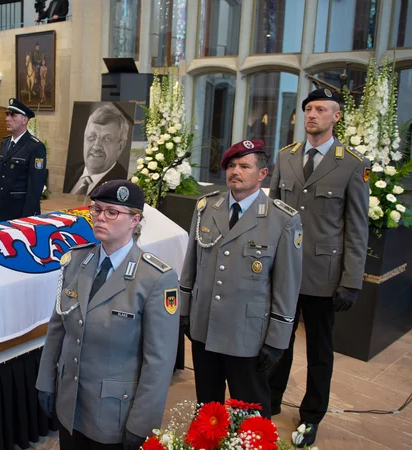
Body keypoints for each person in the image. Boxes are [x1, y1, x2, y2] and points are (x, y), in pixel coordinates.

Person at [37, 180, 179, 450]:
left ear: (134, 220)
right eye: (97, 209)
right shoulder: (75, 261)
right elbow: (58, 329)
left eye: (112, 212)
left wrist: (143, 423)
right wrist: (46, 381)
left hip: (114, 414)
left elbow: (158, 361)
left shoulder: (155, 278)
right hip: (71, 405)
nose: (101, 217)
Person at [268, 88, 370, 447]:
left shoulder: (352, 164)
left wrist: (351, 281)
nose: (312, 115)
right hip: (284, 271)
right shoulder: (287, 156)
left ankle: (312, 415)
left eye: (321, 109)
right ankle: (269, 403)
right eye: (308, 109)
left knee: (319, 351)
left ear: (336, 116)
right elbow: (273, 215)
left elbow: (357, 227)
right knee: (277, 341)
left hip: (323, 278)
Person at [179, 139, 303, 417]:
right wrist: (185, 311)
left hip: (247, 334)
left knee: (250, 413)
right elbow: (191, 265)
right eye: (231, 165)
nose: (235, 171)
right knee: (207, 408)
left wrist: (277, 340)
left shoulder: (282, 219)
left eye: (244, 166)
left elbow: (287, 287)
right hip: (205, 327)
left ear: (262, 174)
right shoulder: (206, 208)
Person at [0, 98, 47, 223]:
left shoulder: (35, 146)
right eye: (7, 115)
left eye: (13, 115)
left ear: (25, 120)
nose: (7, 119)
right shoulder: (5, 142)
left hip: (20, 212)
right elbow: (0, 177)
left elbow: (35, 185)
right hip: (1, 210)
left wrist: (27, 216)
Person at [65, 104, 130, 196]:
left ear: (120, 146)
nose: (96, 146)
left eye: (106, 139)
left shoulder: (123, 186)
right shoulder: (69, 172)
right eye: (92, 137)